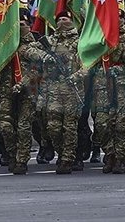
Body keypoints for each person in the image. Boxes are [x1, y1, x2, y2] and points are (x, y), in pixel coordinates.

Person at [0, 12, 47, 175]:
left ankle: (22, 160)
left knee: (24, 127)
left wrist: (23, 82)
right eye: (17, 24)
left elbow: (40, 66)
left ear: (29, 26)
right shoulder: (2, 46)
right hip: (5, 91)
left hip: (28, 93)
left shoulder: (35, 46)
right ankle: (12, 154)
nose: (20, 27)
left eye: (23, 24)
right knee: (5, 126)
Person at [94, 9, 125, 174]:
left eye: (119, 18)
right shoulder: (98, 39)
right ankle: (110, 153)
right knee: (101, 124)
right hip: (103, 86)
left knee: (123, 125)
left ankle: (121, 157)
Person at [40, 11, 86, 174]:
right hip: (53, 90)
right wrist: (46, 58)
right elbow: (33, 52)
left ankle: (67, 158)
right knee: (53, 127)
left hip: (72, 91)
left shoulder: (79, 42)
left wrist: (75, 77)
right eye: (59, 19)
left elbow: (87, 65)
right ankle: (61, 153)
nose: (62, 22)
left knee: (70, 127)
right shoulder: (50, 41)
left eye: (65, 19)